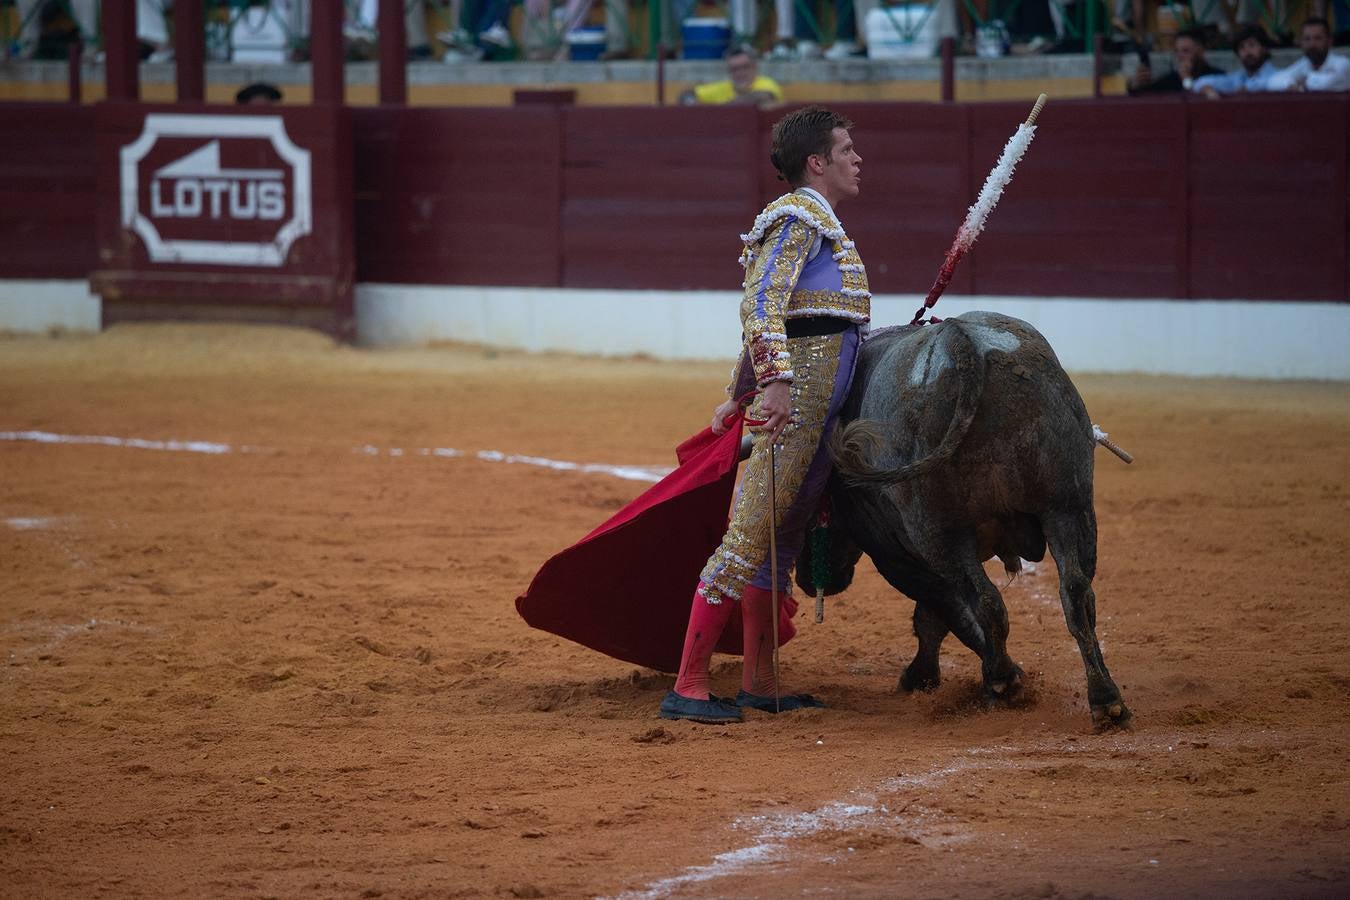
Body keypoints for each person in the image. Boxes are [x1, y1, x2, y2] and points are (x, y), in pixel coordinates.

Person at [659, 106, 869, 724]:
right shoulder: (798, 218)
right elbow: (762, 307)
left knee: (780, 539)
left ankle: (760, 681)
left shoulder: (819, 222)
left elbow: (801, 316)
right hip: (795, 400)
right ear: (817, 162)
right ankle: (689, 686)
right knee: (749, 534)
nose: (857, 159)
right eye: (847, 149)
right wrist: (771, 382)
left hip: (811, 400)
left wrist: (739, 386)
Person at [679, 45, 783, 108]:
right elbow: (686, 95)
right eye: (734, 69)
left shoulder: (766, 83)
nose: (740, 73)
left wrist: (718, 110)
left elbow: (763, 96)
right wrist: (693, 105)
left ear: (755, 67)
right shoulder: (723, 87)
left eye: (745, 67)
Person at [1129, 27, 1223, 93]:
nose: (1180, 56)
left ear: (1201, 51)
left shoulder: (1218, 77)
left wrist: (1186, 79)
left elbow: (1195, 97)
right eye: (1177, 51)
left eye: (1186, 51)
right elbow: (1149, 96)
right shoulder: (1171, 79)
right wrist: (1136, 86)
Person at [1267, 17, 1350, 91]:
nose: (1312, 44)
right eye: (1307, 39)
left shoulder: (1343, 63)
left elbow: (1327, 83)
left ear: (1329, 41)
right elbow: (1272, 82)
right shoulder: (1304, 63)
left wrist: (1305, 82)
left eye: (1318, 38)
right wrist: (1292, 85)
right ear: (1301, 42)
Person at [1192, 26, 1277, 96]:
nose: (1247, 52)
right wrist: (1207, 89)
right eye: (1242, 47)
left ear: (1264, 48)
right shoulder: (1238, 78)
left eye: (1252, 45)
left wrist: (1248, 88)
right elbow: (1199, 82)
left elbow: (1272, 83)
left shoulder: (1277, 76)